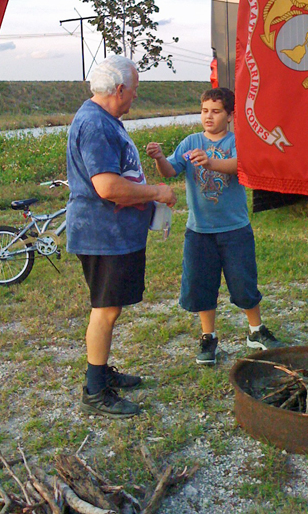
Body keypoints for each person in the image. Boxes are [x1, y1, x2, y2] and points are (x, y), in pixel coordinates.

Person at [66, 55, 177, 418]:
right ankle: (95, 390)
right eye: (134, 91)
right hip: (103, 236)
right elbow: (107, 186)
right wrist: (157, 192)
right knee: (105, 310)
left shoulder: (105, 119)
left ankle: (101, 374)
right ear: (118, 89)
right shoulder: (95, 124)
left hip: (116, 235)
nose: (135, 97)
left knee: (110, 308)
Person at [146, 87, 282, 365]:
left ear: (230, 116)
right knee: (201, 285)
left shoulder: (237, 141)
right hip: (199, 232)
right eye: (205, 110)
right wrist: (160, 158)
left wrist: (211, 162)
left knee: (244, 283)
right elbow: (171, 171)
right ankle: (208, 338)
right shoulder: (190, 142)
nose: (209, 116)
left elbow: (243, 165)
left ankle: (255, 331)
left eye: (216, 111)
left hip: (235, 229)